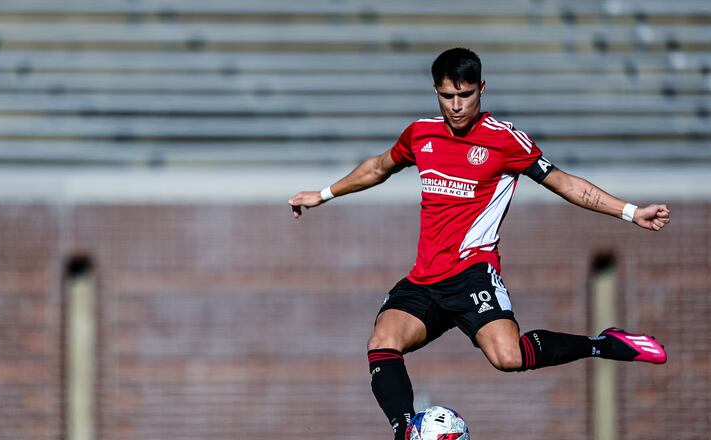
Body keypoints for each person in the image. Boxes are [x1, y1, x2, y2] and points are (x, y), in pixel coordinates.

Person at [287, 47, 670, 440]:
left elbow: (565, 183)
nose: (456, 106)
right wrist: (324, 193)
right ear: (436, 91)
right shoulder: (421, 133)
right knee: (382, 342)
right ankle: (406, 428)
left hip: (473, 274)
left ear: (482, 89)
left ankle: (602, 343)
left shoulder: (505, 141)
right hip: (424, 280)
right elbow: (379, 167)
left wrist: (630, 211)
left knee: (508, 357)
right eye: (446, 96)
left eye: (465, 95)